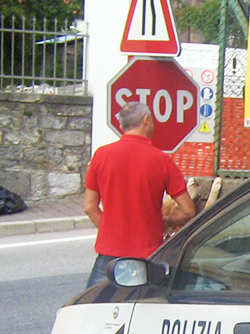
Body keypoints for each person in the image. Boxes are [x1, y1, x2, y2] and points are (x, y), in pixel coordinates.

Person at [83, 101, 195, 287]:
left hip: (109, 256)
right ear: (146, 121)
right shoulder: (161, 160)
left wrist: (110, 231)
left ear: (122, 125)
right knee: (147, 310)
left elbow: (89, 207)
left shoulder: (101, 156)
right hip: (148, 255)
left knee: (94, 307)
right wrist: (167, 222)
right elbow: (188, 210)